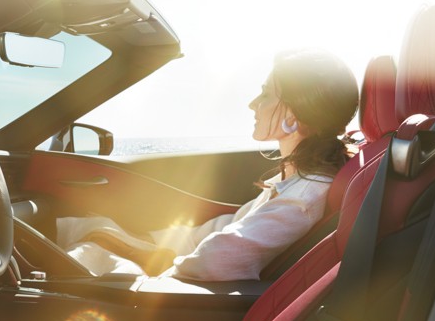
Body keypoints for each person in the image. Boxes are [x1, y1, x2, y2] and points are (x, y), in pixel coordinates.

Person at [57, 48, 360, 281]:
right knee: (95, 231)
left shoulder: (304, 195)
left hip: (178, 298)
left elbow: (219, 258)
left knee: (84, 252)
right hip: (178, 274)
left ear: (293, 115)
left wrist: (156, 275)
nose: (253, 103)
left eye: (266, 93)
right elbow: (225, 228)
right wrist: (147, 242)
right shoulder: (298, 182)